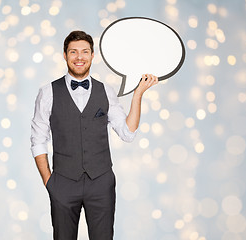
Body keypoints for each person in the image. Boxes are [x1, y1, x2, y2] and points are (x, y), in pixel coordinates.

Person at [30, 30, 158, 240]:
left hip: (101, 182)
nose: (79, 57)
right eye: (73, 52)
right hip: (63, 182)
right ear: (65, 55)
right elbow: (38, 140)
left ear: (92, 56)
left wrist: (138, 94)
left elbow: (127, 133)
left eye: (84, 52)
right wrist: (49, 182)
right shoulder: (48, 92)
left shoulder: (106, 91)